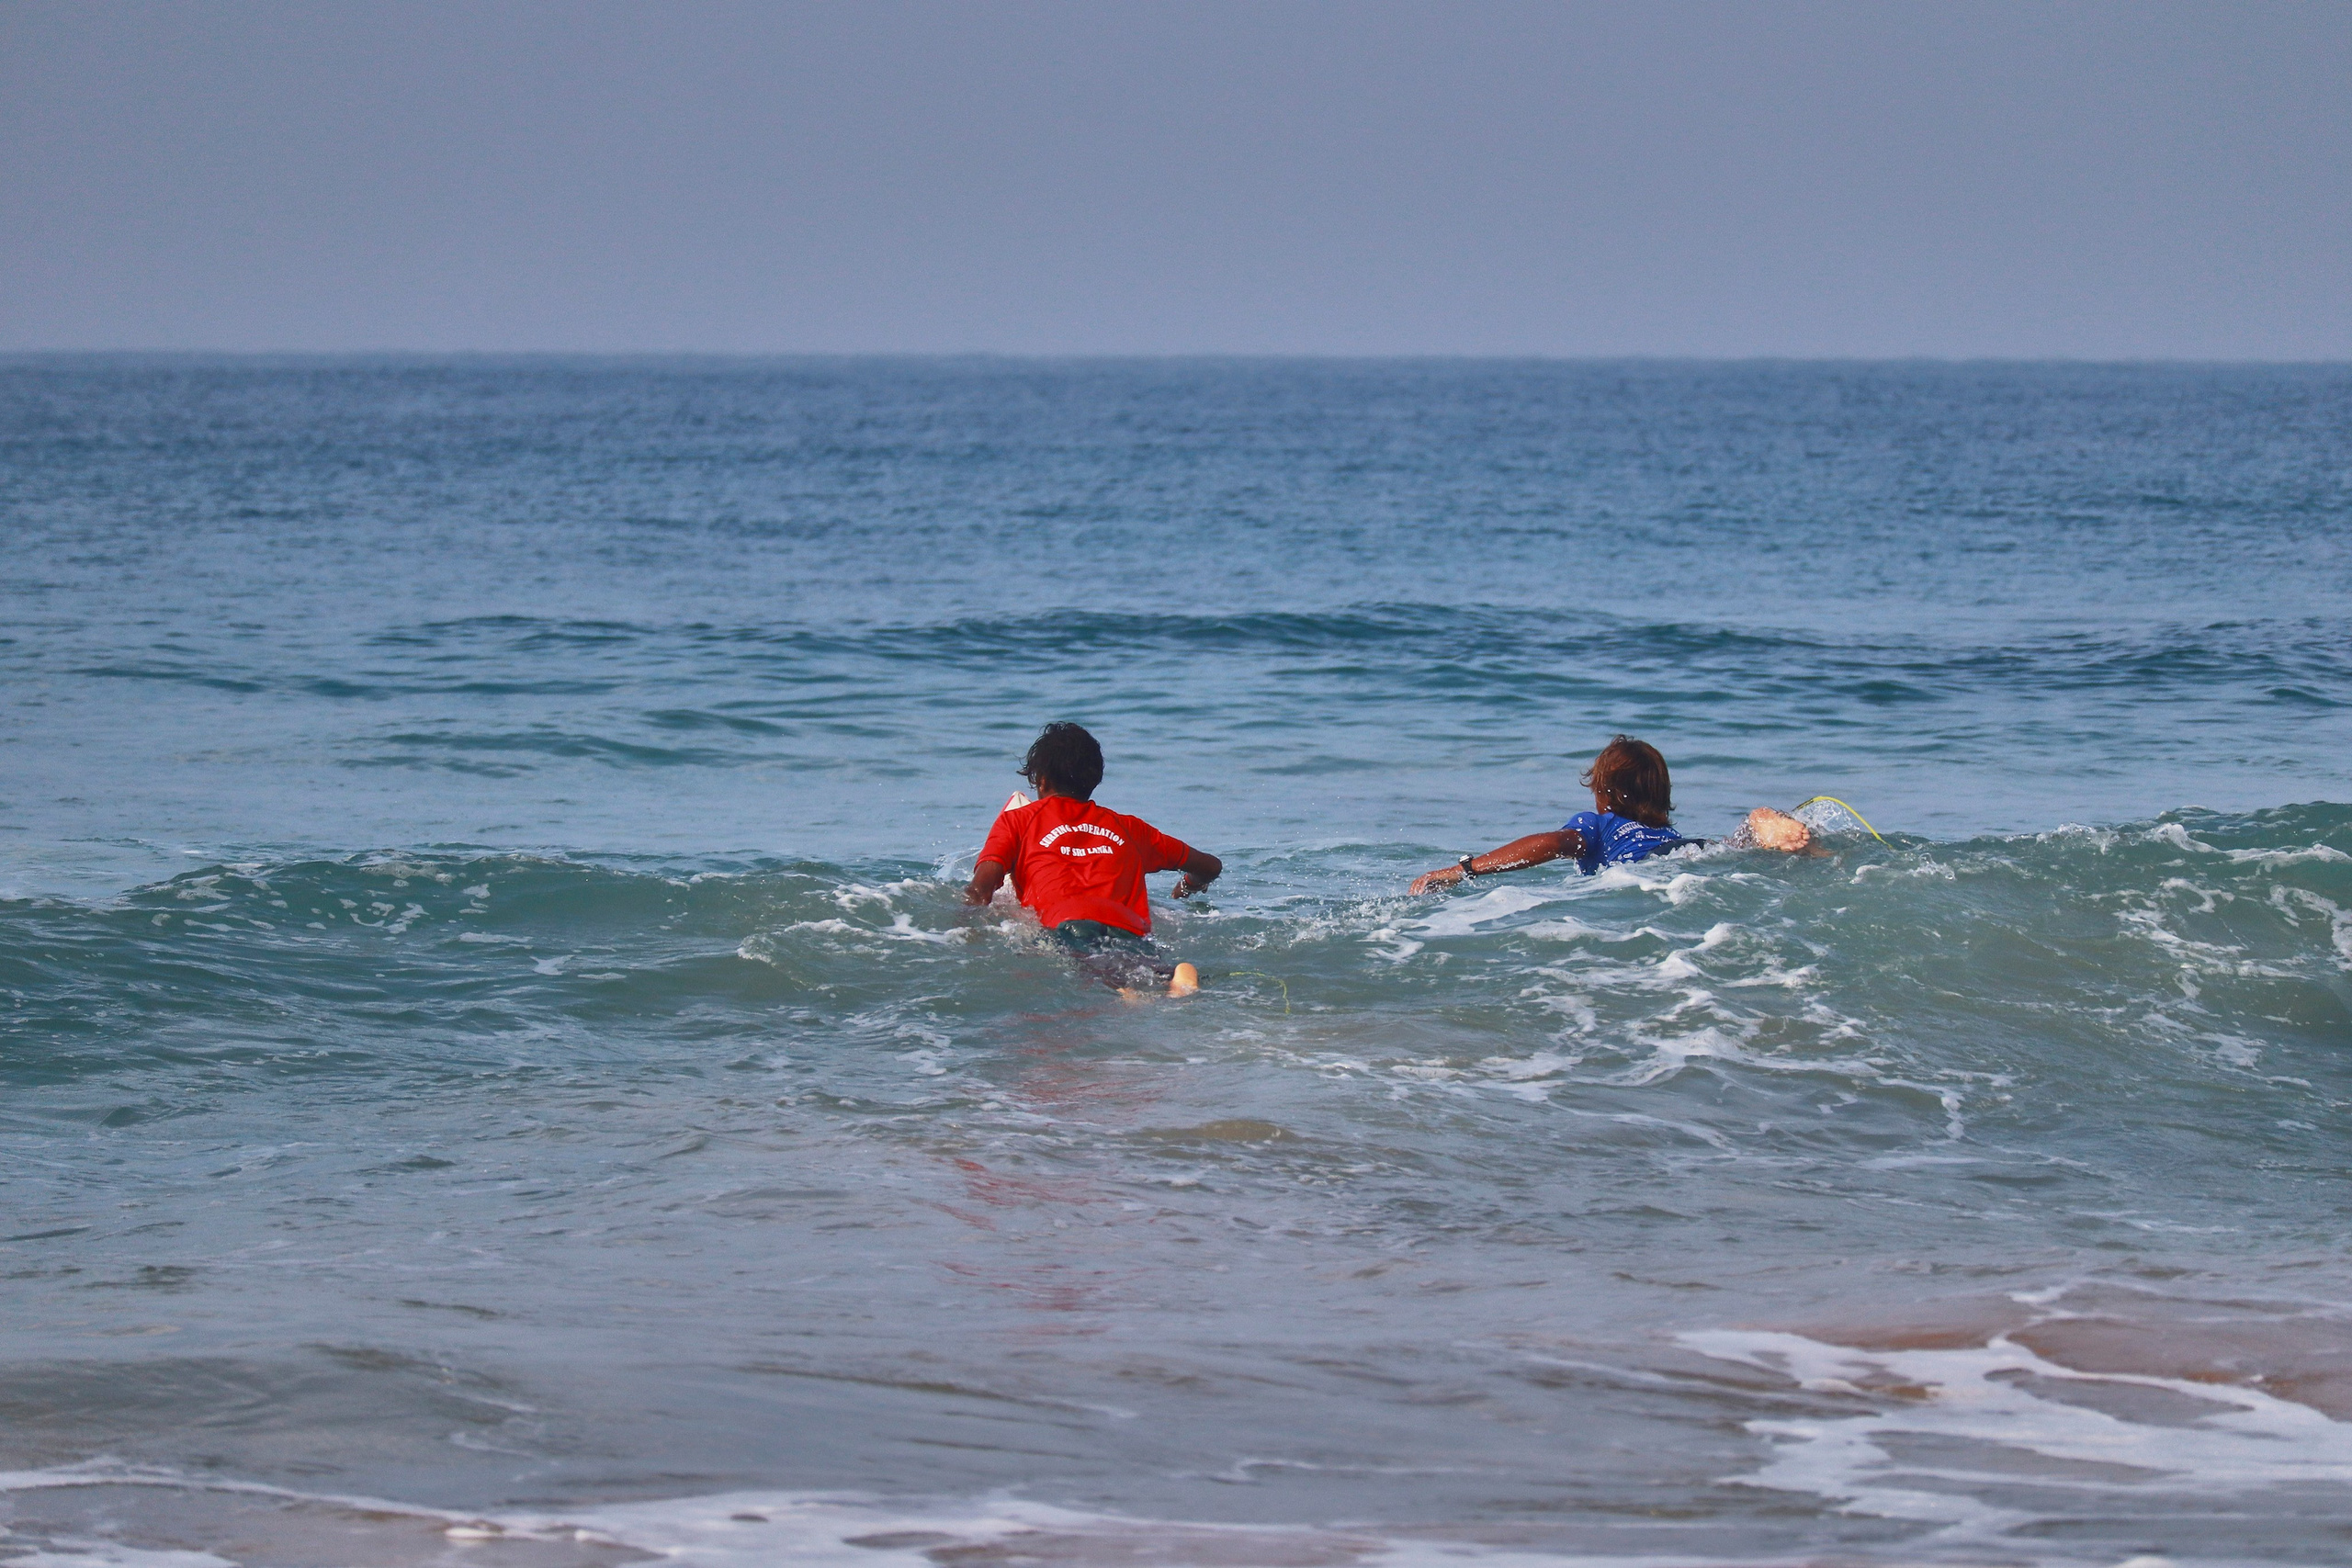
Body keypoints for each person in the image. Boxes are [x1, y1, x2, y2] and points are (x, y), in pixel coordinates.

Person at [1408, 735, 1811, 894]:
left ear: (1605, 793)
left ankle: (1755, 830)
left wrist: (1464, 869)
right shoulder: (1665, 833)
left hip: (1645, 866)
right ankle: (1757, 826)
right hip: (1693, 849)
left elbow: (1552, 843)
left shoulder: (1599, 825)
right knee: (1731, 850)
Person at [965, 723, 1223, 964]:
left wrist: (964, 937)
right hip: (1130, 929)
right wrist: (1189, 884)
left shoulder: (1018, 821)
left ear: (1041, 780)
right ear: (1094, 779)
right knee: (1140, 971)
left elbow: (980, 889)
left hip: (1066, 926)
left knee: (1094, 971)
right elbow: (1210, 866)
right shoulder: (1130, 828)